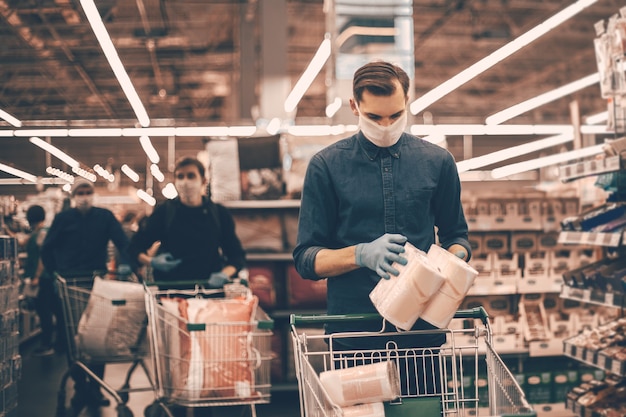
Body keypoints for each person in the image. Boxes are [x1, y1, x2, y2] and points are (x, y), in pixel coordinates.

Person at [292, 60, 472, 395]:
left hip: (420, 336)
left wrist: (450, 264)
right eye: (374, 117)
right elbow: (306, 258)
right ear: (354, 106)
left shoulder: (437, 162)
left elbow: (456, 236)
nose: (386, 126)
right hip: (354, 335)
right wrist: (360, 254)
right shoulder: (326, 167)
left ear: (408, 103)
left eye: (395, 115)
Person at [128, 156, 247, 417]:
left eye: (191, 176)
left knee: (208, 356)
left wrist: (224, 274)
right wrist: (152, 260)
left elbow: (237, 256)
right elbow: (135, 246)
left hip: (209, 300)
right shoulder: (165, 212)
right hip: (172, 299)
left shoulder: (218, 214)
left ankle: (205, 403)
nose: (185, 182)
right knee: (176, 359)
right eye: (180, 177)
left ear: (203, 181)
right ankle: (177, 406)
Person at [40, 178, 133, 411]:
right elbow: (47, 247)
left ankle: (96, 386)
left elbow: (123, 242)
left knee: (97, 336)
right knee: (74, 338)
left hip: (97, 284)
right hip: (69, 284)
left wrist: (128, 263)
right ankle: (82, 386)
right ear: (73, 196)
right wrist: (53, 273)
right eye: (80, 192)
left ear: (94, 193)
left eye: (87, 192)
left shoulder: (105, 217)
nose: (84, 196)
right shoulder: (63, 219)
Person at [23, 204, 62, 357]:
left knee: (44, 311)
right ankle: (57, 343)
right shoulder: (40, 232)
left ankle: (47, 344)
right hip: (46, 278)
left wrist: (37, 276)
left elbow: (42, 257)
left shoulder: (42, 234)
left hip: (43, 279)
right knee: (53, 310)